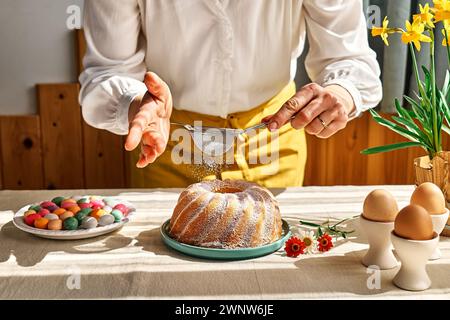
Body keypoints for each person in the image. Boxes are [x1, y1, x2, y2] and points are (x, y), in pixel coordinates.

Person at [79, 0, 382, 188]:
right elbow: (107, 71)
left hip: (273, 139)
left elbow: (349, 58)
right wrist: (135, 105)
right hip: (167, 142)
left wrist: (341, 93)